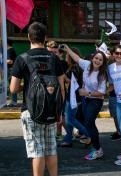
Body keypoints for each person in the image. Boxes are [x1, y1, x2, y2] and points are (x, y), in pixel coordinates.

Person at [10, 22, 65, 176]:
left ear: (29, 37)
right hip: (52, 110)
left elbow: (13, 89)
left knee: (37, 150)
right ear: (45, 38)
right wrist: (59, 111)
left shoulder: (22, 58)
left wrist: (26, 86)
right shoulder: (54, 58)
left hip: (31, 110)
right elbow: (61, 87)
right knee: (51, 148)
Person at [64, 44, 108, 160]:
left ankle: (98, 149)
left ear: (103, 62)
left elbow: (102, 92)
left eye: (100, 60)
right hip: (87, 100)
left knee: (88, 123)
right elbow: (76, 58)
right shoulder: (87, 65)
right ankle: (96, 147)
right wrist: (68, 49)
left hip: (96, 101)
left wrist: (86, 93)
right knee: (90, 124)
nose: (97, 61)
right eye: (96, 58)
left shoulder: (102, 75)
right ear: (92, 59)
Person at [59, 48, 91, 147]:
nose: (65, 57)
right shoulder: (76, 67)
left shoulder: (75, 68)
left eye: (67, 55)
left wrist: (63, 76)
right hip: (74, 95)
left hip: (74, 96)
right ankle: (68, 139)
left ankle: (89, 135)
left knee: (70, 119)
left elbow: (74, 83)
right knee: (69, 118)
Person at [7, 38, 17, 107]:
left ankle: (14, 101)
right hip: (10, 69)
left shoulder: (10, 50)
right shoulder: (9, 50)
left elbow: (10, 61)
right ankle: (12, 100)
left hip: (11, 69)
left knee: (12, 85)